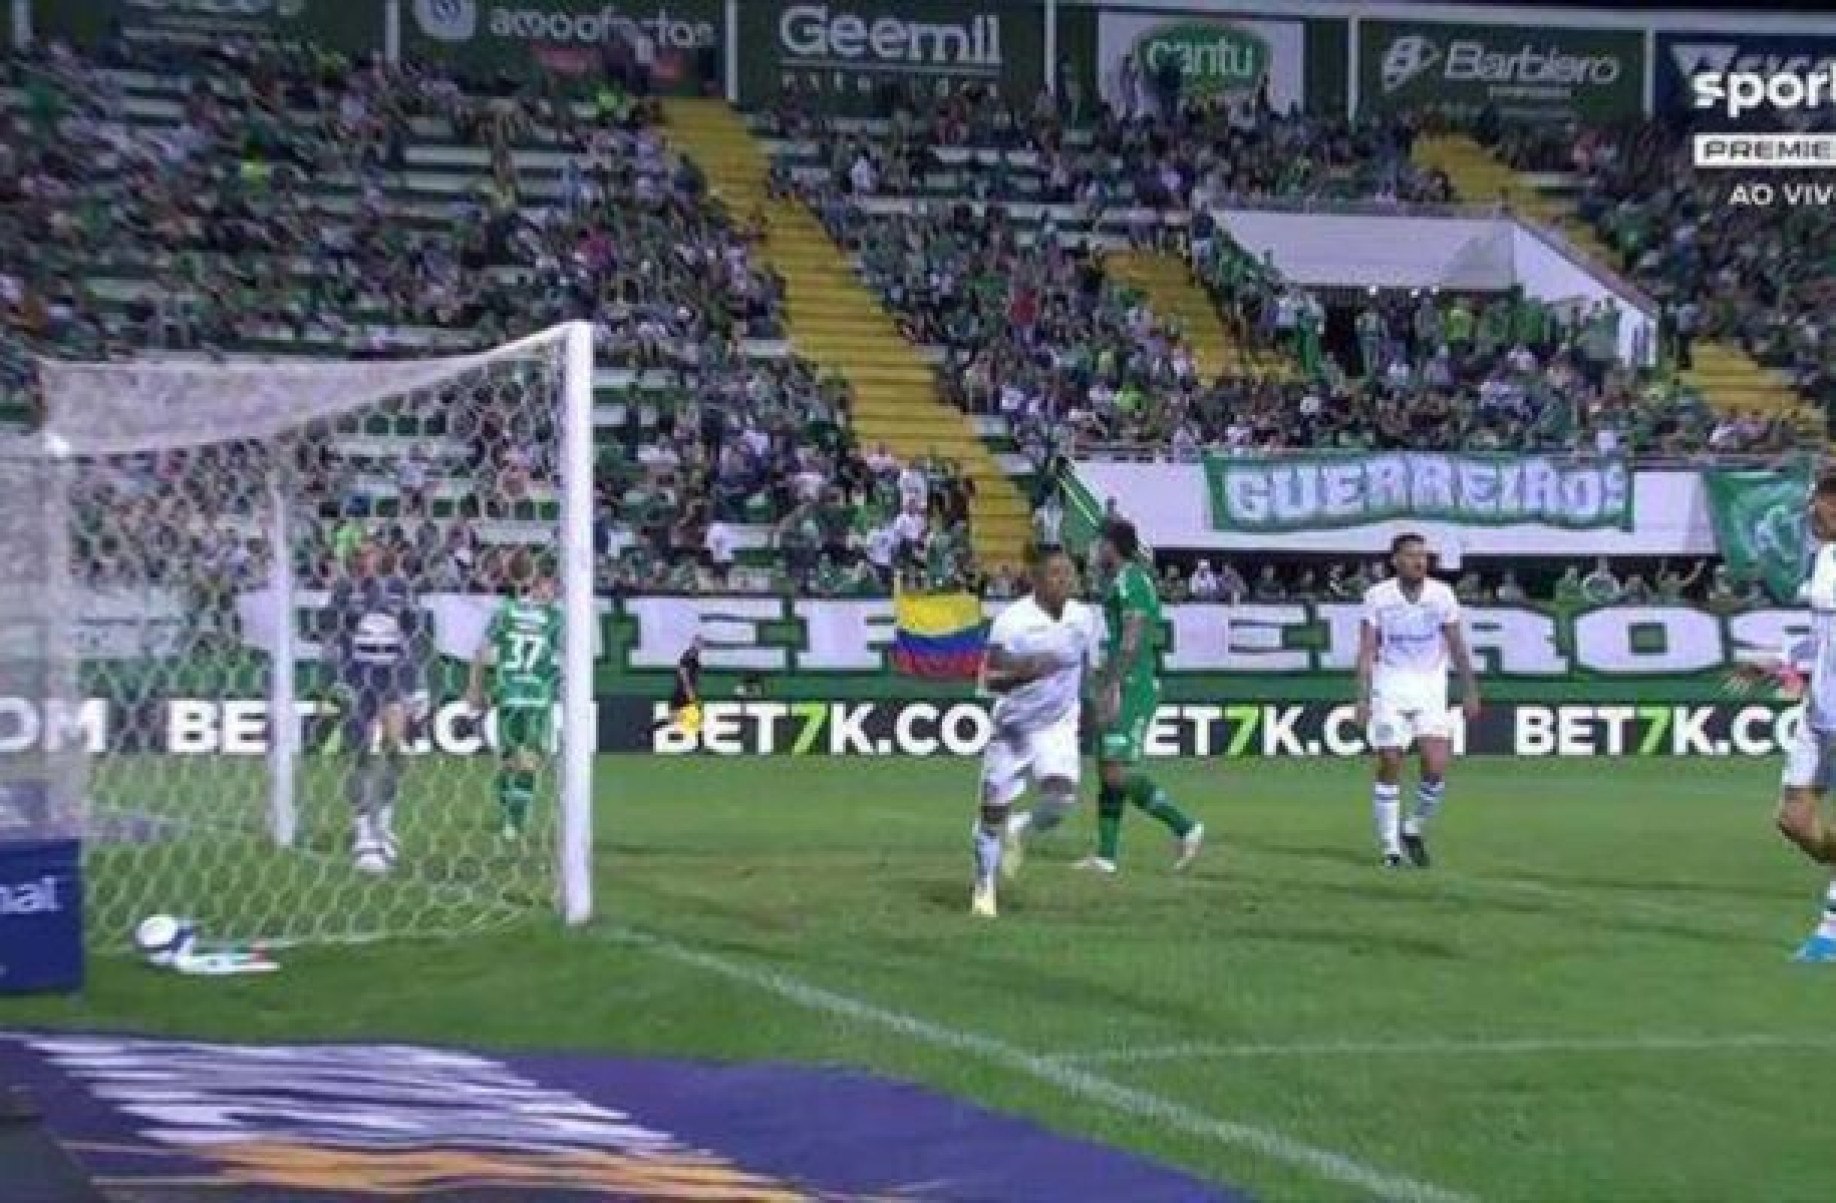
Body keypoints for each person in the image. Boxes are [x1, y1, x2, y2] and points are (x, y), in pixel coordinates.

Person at [1728, 475, 1836, 960]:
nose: (1812, 512)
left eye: (1820, 503)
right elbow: (1822, 639)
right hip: (1820, 714)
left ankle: (1830, 930)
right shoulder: (1826, 561)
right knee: (1794, 821)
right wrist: (1779, 661)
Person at [972, 546, 1101, 918]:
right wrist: (1026, 670)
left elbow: (1088, 664)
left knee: (1061, 801)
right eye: (1055, 574)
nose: (1065, 581)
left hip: (1058, 725)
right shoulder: (1012, 622)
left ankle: (1021, 830)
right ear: (1036, 580)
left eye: (1069, 574)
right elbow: (989, 680)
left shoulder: (1082, 617)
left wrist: (1104, 695)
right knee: (991, 814)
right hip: (1013, 729)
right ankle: (984, 887)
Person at [1083, 520, 1204, 875]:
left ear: (1112, 546)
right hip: (1123, 680)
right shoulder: (1119, 582)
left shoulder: (1133, 581)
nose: (1093, 551)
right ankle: (1106, 857)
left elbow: (1133, 640)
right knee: (1108, 768)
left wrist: (1112, 686)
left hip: (1133, 685)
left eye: (1098, 544)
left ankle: (1185, 826)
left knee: (1115, 773)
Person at [1355, 533, 1481, 869]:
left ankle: (1412, 828)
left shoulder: (1442, 595)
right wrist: (1363, 698)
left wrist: (1470, 690)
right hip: (1390, 684)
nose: (1419, 561)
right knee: (1391, 761)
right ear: (1395, 560)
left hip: (1430, 686)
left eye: (1423, 556)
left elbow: (1457, 645)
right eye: (1411, 555)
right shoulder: (1378, 597)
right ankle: (1390, 849)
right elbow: (1368, 649)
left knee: (1436, 763)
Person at [329, 541, 428, 873]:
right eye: (360, 554)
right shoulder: (345, 590)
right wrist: (338, 678)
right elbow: (334, 637)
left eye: (372, 553)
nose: (366, 559)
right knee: (361, 753)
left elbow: (415, 637)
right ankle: (362, 830)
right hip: (359, 679)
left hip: (394, 679)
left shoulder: (401, 589)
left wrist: (418, 686)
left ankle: (384, 822)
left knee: (396, 749)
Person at [466, 551, 561, 841]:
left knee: (511, 760)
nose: (554, 592)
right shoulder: (555, 618)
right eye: (551, 586)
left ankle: (510, 819)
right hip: (535, 696)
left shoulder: (505, 611)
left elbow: (481, 652)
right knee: (528, 760)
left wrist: (475, 688)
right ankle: (514, 825)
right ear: (538, 584)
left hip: (507, 693)